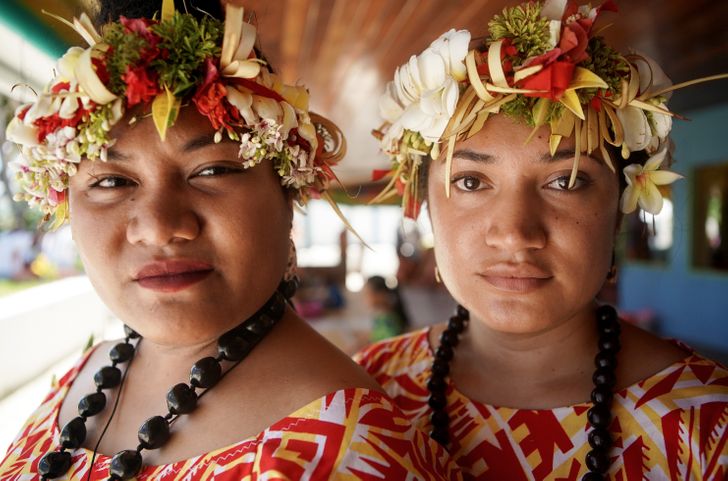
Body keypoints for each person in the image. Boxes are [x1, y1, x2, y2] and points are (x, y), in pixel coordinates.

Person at [0, 1, 462, 479]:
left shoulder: (349, 451)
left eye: (213, 170)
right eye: (111, 182)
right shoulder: (85, 375)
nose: (160, 226)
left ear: (289, 194)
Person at [356, 1, 728, 480]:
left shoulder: (708, 424)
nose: (515, 233)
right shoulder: (366, 394)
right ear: (425, 203)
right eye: (471, 182)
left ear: (619, 208)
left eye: (566, 181)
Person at [363, 276, 408, 342]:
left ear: (381, 294)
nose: (365, 298)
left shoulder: (389, 320)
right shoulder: (380, 317)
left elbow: (387, 344)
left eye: (367, 293)